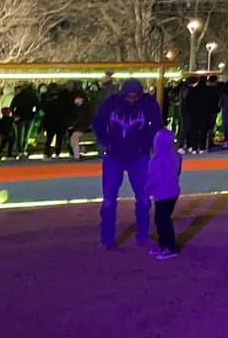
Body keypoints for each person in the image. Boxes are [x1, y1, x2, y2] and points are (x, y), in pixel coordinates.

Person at [92, 79, 164, 251]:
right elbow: (98, 124)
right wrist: (106, 142)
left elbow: (157, 126)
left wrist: (145, 144)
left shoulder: (148, 104)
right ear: (123, 94)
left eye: (135, 97)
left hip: (139, 157)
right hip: (113, 156)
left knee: (144, 199)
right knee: (109, 201)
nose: (132, 100)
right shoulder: (112, 103)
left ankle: (143, 236)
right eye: (129, 97)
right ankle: (107, 240)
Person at [144, 127, 182, 259]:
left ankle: (169, 247)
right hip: (173, 192)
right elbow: (178, 172)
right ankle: (164, 245)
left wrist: (146, 191)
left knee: (162, 220)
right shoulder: (176, 156)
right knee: (163, 219)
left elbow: (154, 179)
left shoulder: (156, 160)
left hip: (162, 194)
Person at [68, 92, 95, 160]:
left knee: (74, 138)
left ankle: (77, 156)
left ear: (81, 99)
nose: (74, 100)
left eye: (76, 98)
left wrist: (73, 125)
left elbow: (80, 118)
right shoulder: (79, 107)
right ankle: (81, 150)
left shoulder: (83, 107)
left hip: (83, 126)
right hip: (81, 126)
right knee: (72, 140)